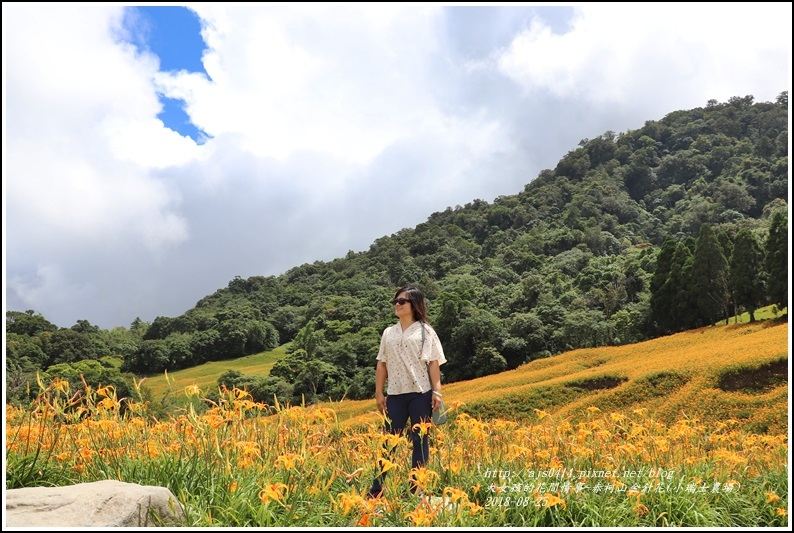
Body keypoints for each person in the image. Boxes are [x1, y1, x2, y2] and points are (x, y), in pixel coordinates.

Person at [368, 286, 446, 499]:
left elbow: (433, 364)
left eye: (402, 301)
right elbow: (381, 364)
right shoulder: (388, 332)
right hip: (395, 394)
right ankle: (377, 490)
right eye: (395, 301)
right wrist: (379, 393)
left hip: (421, 393)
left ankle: (416, 488)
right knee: (388, 441)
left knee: (420, 440)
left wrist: (437, 393)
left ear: (415, 305)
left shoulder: (426, 331)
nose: (397, 304)